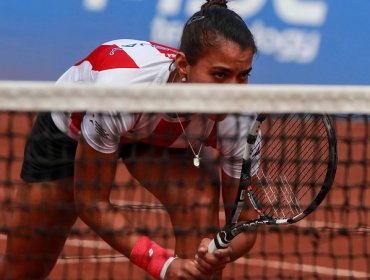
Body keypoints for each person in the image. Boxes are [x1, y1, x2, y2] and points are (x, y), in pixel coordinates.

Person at [0, 0, 259, 279]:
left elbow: (245, 223)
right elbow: (91, 201)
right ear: (183, 65)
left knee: (196, 200)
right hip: (74, 130)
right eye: (219, 75)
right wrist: (162, 264)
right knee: (24, 268)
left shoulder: (242, 119)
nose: (233, 91)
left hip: (156, 137)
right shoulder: (120, 90)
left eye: (243, 75)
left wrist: (221, 252)